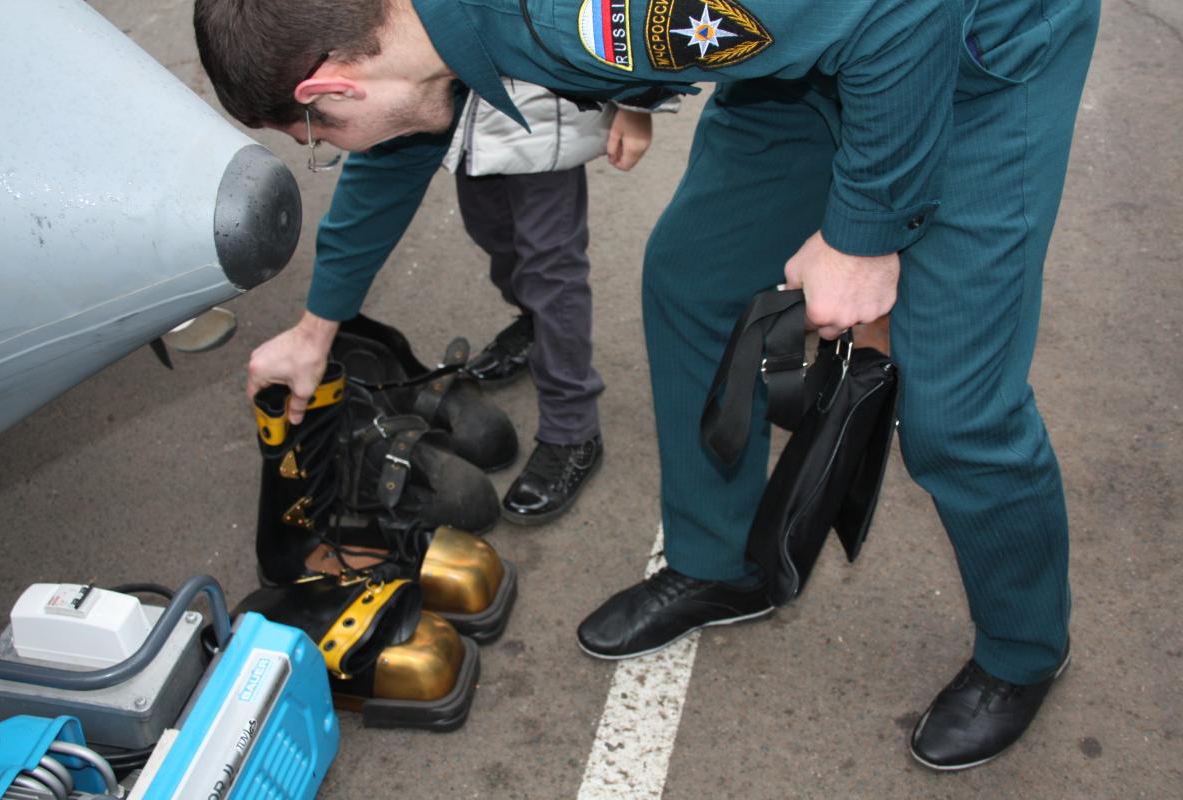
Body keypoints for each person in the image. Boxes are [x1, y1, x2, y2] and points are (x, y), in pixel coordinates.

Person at [194, 0, 1101, 770]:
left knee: (956, 412)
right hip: (815, 42)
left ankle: (1024, 651)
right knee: (692, 281)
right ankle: (724, 566)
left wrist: (863, 236)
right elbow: (396, 143)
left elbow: (900, 13)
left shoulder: (596, 13)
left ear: (329, 89)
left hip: (968, 48)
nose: (338, 149)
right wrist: (320, 324)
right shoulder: (431, 24)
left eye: (322, 139)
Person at [442, 79, 672, 525]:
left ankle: (573, 430)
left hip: (548, 102)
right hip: (470, 100)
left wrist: (638, 97)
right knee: (490, 228)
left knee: (550, 268)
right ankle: (534, 326)